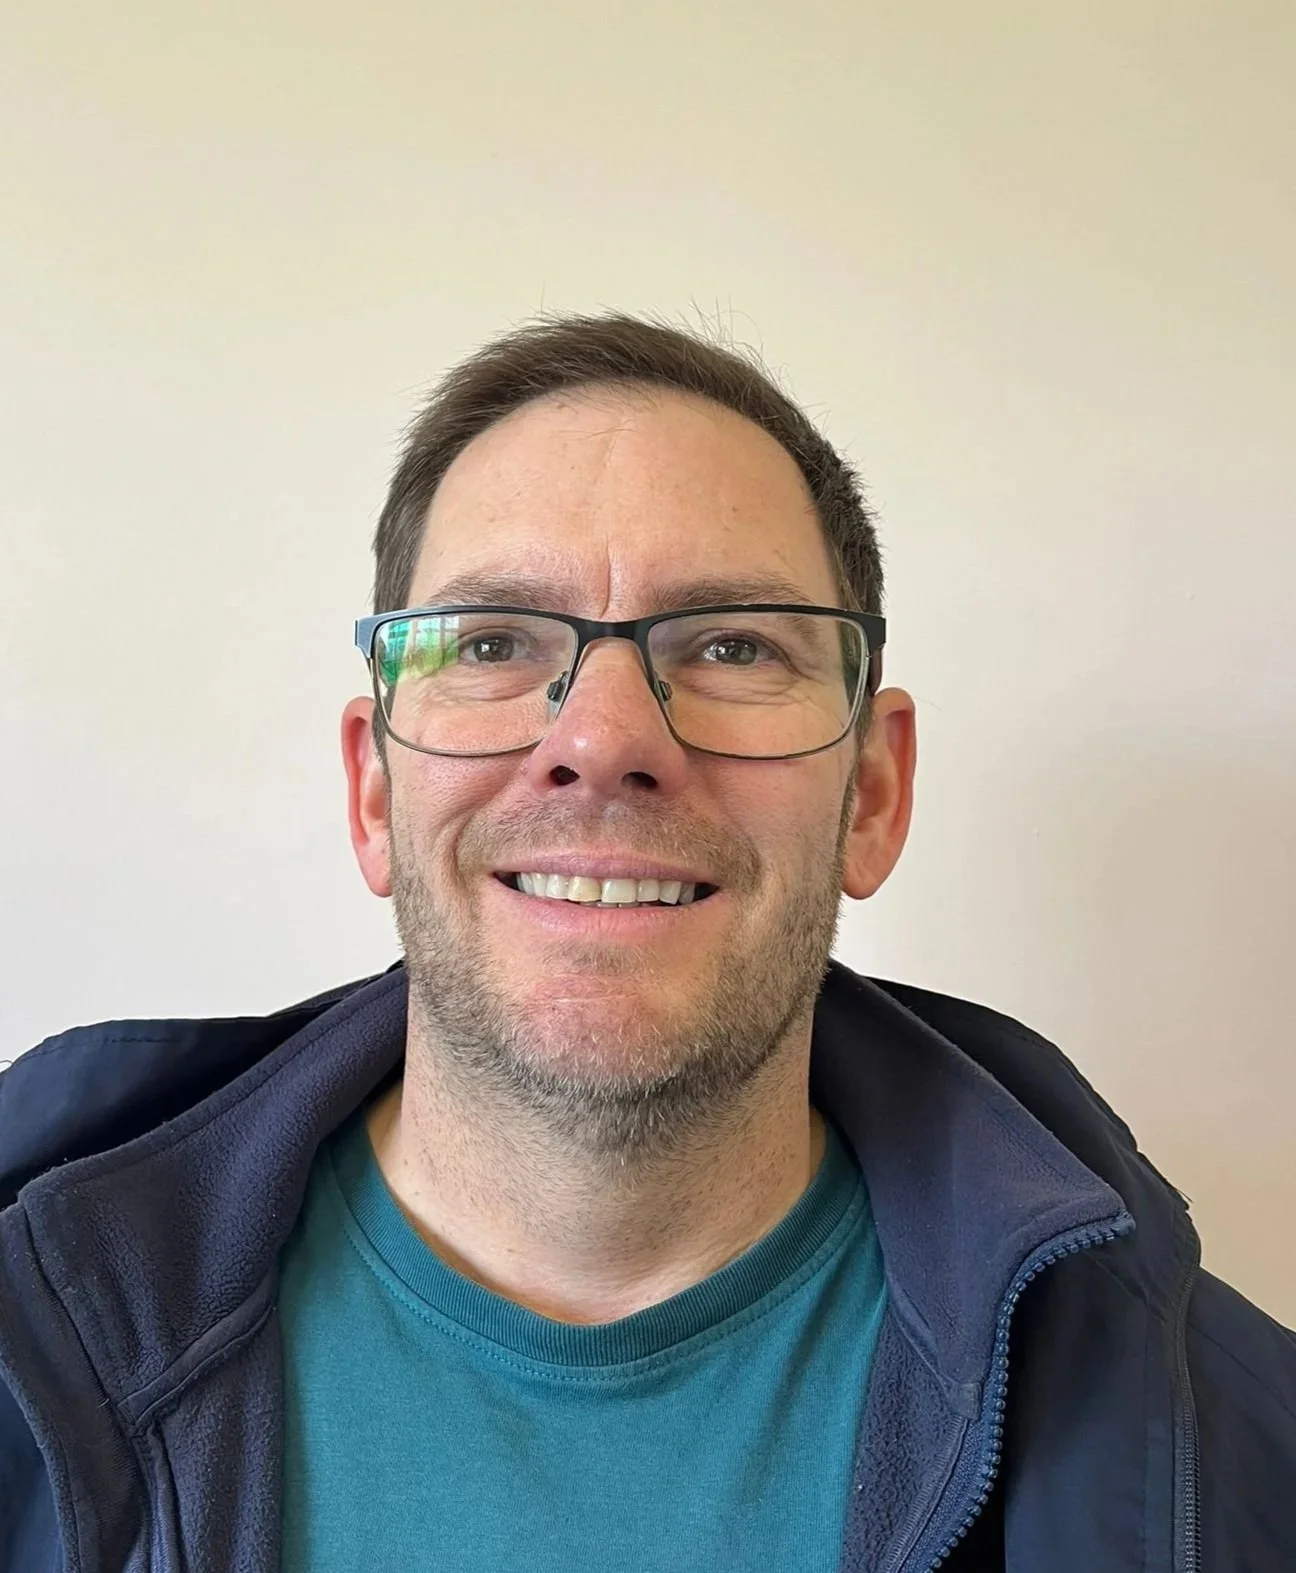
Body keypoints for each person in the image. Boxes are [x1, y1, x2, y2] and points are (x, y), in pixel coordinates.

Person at [1, 314, 1292, 1573]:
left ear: (876, 794)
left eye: (733, 645)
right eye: (495, 642)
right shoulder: (34, 1348)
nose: (604, 737)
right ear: (375, 793)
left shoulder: (1244, 1458)